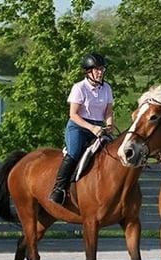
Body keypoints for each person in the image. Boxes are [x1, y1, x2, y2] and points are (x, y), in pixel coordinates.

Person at [49, 52, 114, 205]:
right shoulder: (79, 88)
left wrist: (109, 125)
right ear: (88, 71)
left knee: (112, 153)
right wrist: (92, 128)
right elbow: (73, 114)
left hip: (98, 128)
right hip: (78, 127)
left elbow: (108, 112)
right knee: (75, 153)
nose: (100, 72)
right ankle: (59, 189)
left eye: (102, 69)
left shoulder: (107, 88)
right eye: (97, 69)